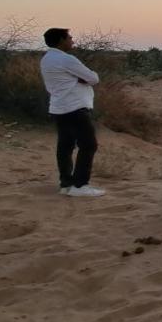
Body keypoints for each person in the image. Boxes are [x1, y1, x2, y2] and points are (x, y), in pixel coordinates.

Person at [39, 28, 105, 197]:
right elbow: (93, 78)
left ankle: (66, 184)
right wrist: (81, 78)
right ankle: (80, 186)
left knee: (65, 146)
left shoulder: (47, 59)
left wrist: (77, 78)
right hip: (74, 107)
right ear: (61, 40)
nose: (72, 40)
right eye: (69, 37)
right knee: (89, 145)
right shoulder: (66, 59)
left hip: (59, 108)